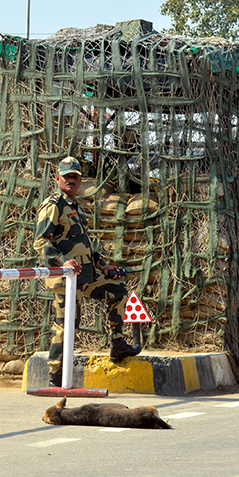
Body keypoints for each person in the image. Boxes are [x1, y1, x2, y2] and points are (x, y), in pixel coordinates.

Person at [33, 156, 141, 388]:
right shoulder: (54, 205)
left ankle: (118, 345)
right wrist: (64, 262)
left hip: (86, 276)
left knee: (118, 291)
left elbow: (85, 246)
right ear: (58, 178)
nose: (71, 180)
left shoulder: (75, 206)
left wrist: (104, 266)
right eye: (66, 176)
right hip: (65, 278)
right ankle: (55, 376)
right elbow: (41, 242)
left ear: (80, 180)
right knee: (66, 325)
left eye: (75, 176)